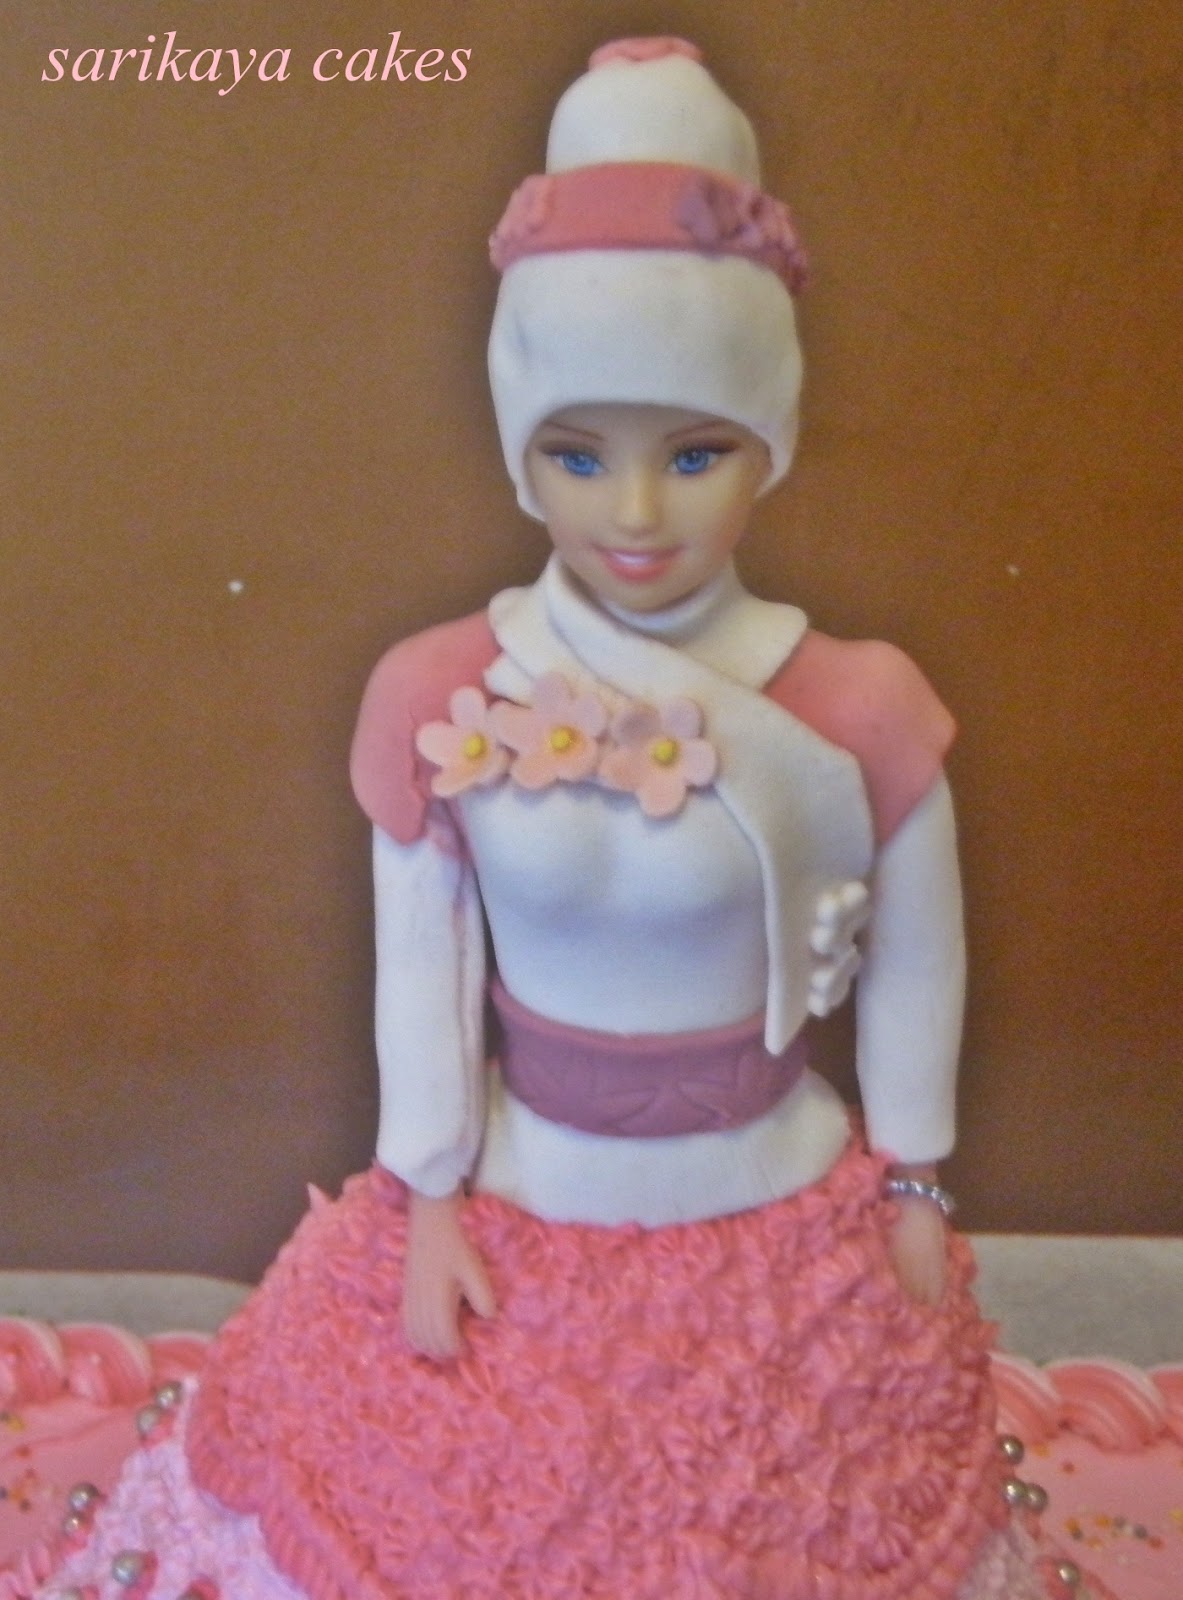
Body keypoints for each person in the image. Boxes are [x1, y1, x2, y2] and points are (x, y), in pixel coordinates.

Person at [41, 37, 1065, 1600]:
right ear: (524, 453)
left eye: (695, 453)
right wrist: (426, 1195)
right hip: (522, 1196)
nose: (635, 514)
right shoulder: (445, 688)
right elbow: (423, 967)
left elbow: (922, 959)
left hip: (775, 1190)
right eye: (580, 453)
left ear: (772, 444)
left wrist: (917, 1179)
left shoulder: (859, 703)